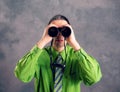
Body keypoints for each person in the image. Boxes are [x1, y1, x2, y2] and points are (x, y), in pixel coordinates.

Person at [14, 14, 102, 92]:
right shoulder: (39, 56)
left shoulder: (77, 57)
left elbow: (93, 78)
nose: (59, 34)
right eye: (55, 30)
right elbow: (22, 75)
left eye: (64, 30)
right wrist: (43, 41)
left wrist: (74, 43)